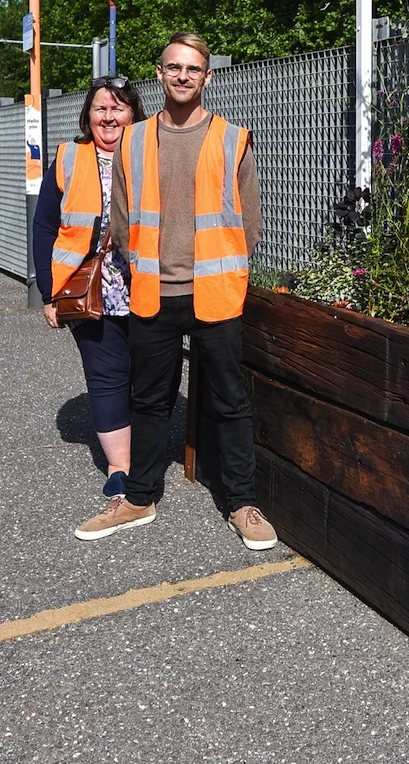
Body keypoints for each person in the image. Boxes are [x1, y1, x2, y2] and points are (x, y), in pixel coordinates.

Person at [84, 33, 275, 551]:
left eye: (193, 68)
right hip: (154, 291)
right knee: (148, 400)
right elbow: (121, 220)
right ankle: (140, 496)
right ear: (161, 74)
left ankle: (240, 503)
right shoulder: (134, 139)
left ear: (207, 77)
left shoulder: (233, 139)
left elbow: (248, 221)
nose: (184, 76)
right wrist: (145, 258)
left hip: (214, 292)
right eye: (174, 67)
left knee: (230, 401)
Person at [33, 77, 144, 526]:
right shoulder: (68, 158)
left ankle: (151, 452)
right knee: (106, 375)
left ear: (133, 116)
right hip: (88, 287)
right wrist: (48, 292)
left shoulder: (148, 157)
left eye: (118, 109)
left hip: (147, 285)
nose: (109, 117)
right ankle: (121, 467)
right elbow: (44, 227)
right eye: (101, 108)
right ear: (88, 115)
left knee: (152, 371)